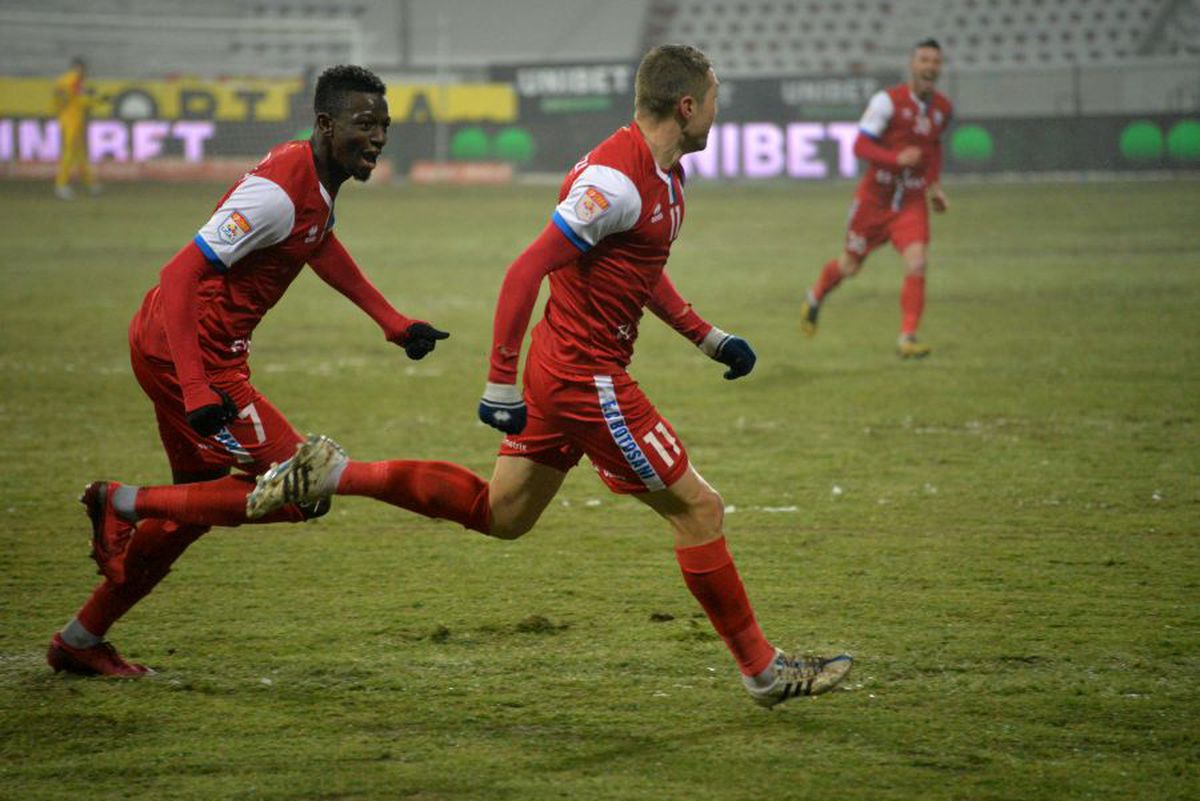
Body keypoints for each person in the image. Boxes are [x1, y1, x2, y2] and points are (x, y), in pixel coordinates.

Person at [241, 45, 853, 708]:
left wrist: (708, 336)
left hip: (566, 371)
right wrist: (498, 383)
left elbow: (640, 269)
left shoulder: (664, 176)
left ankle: (335, 473)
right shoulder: (616, 181)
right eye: (712, 97)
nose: (716, 109)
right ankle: (763, 671)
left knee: (501, 514)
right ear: (686, 106)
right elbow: (525, 268)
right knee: (699, 509)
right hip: (583, 378)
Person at [47, 65, 449, 677]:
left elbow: (316, 241)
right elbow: (180, 275)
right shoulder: (277, 192)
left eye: (384, 127)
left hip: (190, 350)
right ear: (324, 124)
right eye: (365, 125)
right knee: (299, 491)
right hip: (188, 354)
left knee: (191, 509)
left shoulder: (313, 183)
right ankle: (118, 503)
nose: (378, 139)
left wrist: (390, 321)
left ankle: (80, 638)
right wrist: (196, 385)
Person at [799, 39, 953, 358]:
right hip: (874, 202)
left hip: (909, 203)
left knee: (918, 262)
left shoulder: (942, 109)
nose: (929, 66)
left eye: (935, 61)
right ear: (912, 64)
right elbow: (859, 146)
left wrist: (934, 187)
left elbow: (934, 147)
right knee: (849, 267)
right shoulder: (887, 101)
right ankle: (815, 296)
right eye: (924, 59)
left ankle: (907, 337)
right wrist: (896, 160)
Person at [53, 57, 101, 200]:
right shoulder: (73, 80)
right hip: (71, 122)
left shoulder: (69, 81)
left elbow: (72, 99)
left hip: (74, 121)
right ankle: (61, 185)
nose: (83, 71)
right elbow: (79, 100)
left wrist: (95, 99)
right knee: (69, 154)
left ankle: (91, 184)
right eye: (82, 68)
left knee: (81, 155)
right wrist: (97, 99)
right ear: (77, 67)